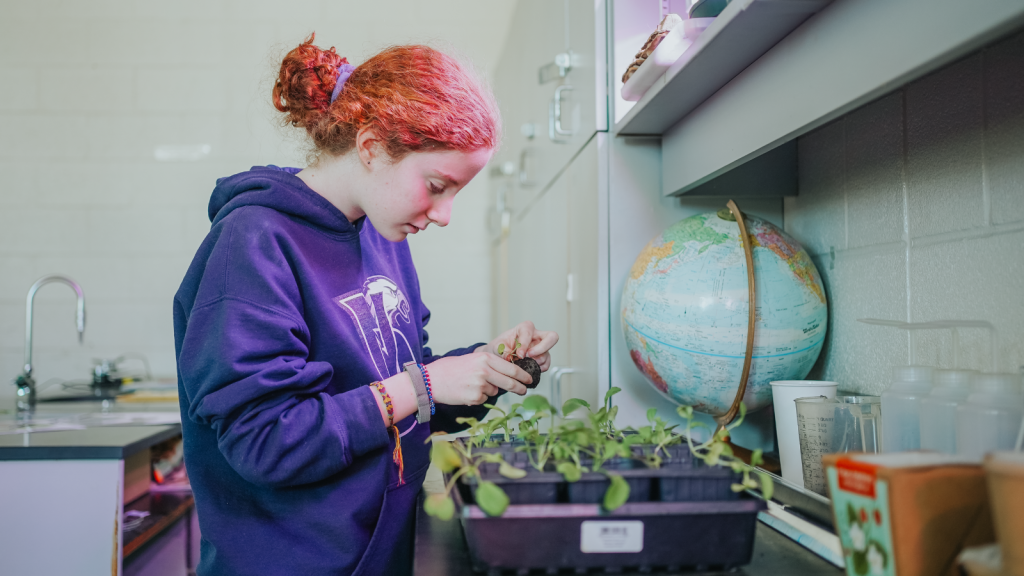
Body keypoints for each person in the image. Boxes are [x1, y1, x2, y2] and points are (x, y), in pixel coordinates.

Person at [172, 35, 557, 576]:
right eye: (436, 185)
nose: (444, 215)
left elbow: (405, 397)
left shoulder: (382, 239)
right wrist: (425, 384)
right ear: (372, 147)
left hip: (377, 557)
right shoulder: (253, 243)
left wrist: (483, 368)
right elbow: (267, 440)